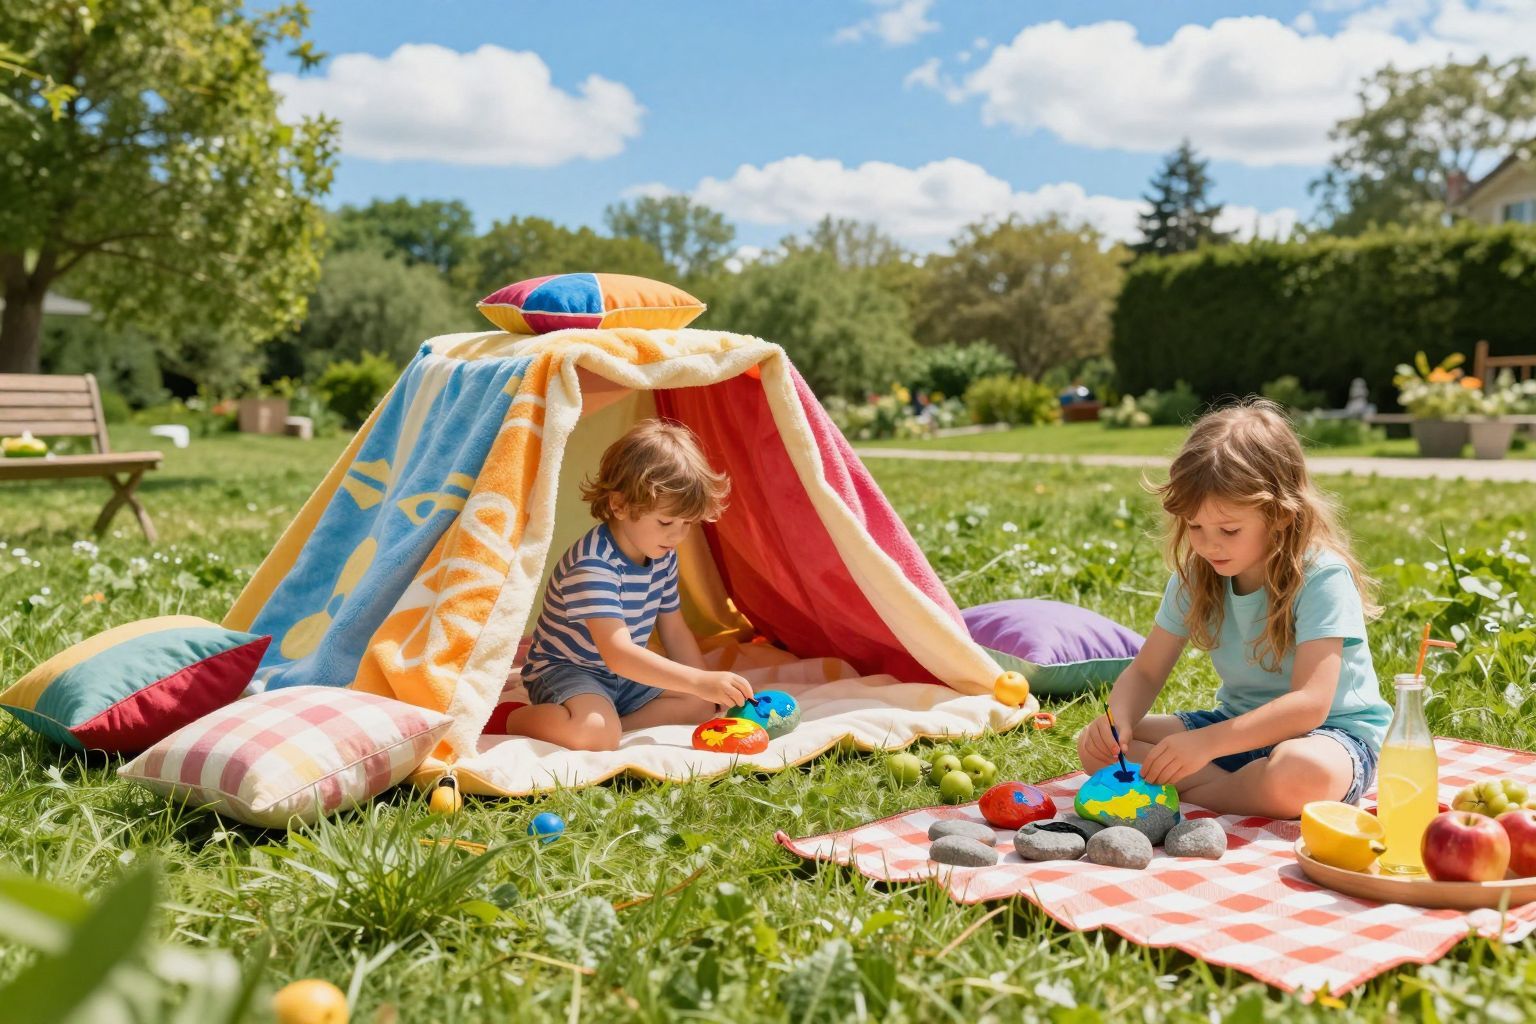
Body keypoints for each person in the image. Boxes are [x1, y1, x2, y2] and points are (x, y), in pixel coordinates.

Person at [1077, 399, 1390, 817]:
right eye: (1195, 526)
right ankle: (1243, 789)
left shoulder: (1320, 576)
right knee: (1097, 749)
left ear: (1280, 515)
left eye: (1229, 529)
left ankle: (1206, 790)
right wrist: (1119, 720)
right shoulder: (1196, 577)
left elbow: (1309, 703)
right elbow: (1147, 671)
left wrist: (1204, 746)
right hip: (1234, 727)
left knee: (1299, 774)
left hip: (1329, 736)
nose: (1209, 545)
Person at [500, 419, 752, 751]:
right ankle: (511, 718)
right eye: (666, 521)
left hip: (623, 675)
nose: (677, 535)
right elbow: (618, 653)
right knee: (593, 732)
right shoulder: (593, 564)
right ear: (619, 505)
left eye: (688, 523)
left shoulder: (662, 553)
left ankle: (613, 726)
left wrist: (707, 687)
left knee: (701, 705)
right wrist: (698, 681)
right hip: (568, 671)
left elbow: (674, 630)